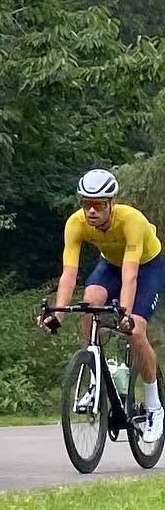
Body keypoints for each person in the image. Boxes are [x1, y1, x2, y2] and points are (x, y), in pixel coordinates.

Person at [39, 169, 163, 439]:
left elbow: (130, 276)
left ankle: (154, 406)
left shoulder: (132, 221)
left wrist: (126, 315)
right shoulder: (76, 223)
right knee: (88, 306)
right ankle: (95, 376)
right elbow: (69, 273)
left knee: (136, 331)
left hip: (146, 267)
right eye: (85, 204)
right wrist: (58, 313)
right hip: (110, 264)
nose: (90, 211)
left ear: (111, 203)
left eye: (97, 205)